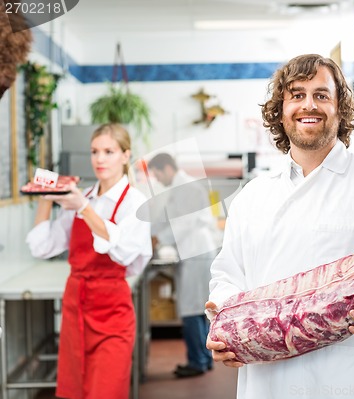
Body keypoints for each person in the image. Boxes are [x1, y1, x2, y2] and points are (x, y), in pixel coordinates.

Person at [206, 54, 354, 399]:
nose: (309, 105)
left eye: (321, 95)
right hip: (267, 383)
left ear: (340, 108)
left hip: (347, 379)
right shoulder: (253, 196)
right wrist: (224, 328)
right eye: (297, 94)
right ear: (280, 109)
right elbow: (228, 276)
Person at [26, 123, 152, 399]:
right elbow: (43, 246)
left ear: (125, 155)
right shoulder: (81, 196)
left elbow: (123, 250)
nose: (100, 159)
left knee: (105, 391)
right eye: (95, 151)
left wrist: (84, 209)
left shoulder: (134, 202)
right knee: (74, 392)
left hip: (112, 312)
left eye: (109, 151)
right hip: (76, 308)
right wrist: (47, 197)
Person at [148, 153, 216, 378]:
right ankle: (204, 359)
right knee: (197, 307)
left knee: (191, 308)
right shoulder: (180, 188)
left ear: (166, 167)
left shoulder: (185, 188)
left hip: (196, 250)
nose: (158, 179)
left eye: (157, 173)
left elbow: (183, 224)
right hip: (193, 250)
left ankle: (198, 361)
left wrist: (157, 239)